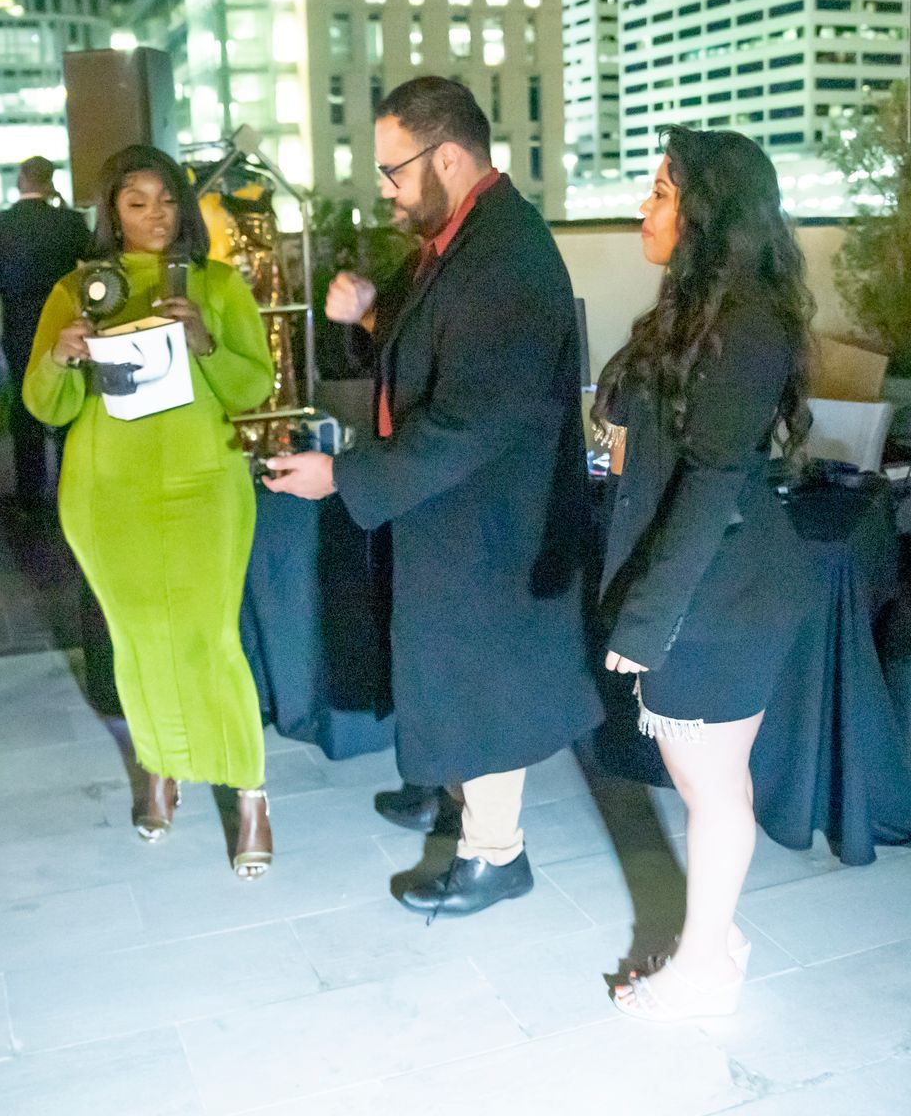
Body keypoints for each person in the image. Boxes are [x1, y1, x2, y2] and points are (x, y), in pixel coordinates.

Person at [265, 76, 602, 917]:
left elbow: (472, 416)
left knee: (478, 671)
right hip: (452, 502)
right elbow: (440, 347)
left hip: (492, 514)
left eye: (393, 171)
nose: (385, 189)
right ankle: (453, 796)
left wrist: (343, 475)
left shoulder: (508, 255)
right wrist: (376, 313)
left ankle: (497, 853)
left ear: (446, 156)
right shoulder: (462, 234)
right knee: (443, 660)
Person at [594, 128, 814, 1022]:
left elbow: (715, 484)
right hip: (709, 586)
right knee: (712, 782)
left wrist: (646, 622)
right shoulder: (698, 313)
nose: (645, 207)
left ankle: (703, 970)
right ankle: (716, 939)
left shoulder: (746, 326)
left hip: (720, 595)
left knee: (711, 790)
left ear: (707, 213)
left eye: (660, 192)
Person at [23, 145, 277, 878]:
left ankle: (249, 790)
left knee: (211, 638)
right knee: (135, 641)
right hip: (109, 491)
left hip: (205, 484)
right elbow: (47, 406)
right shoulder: (76, 290)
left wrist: (203, 340)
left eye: (166, 199)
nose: (155, 215)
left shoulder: (220, 284)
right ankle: (161, 767)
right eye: (136, 202)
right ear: (111, 213)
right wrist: (62, 356)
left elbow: (251, 387)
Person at [0, 156, 94, 510]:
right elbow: (91, 266)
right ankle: (73, 482)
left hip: (18, 322)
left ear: (21, 179)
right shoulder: (70, 222)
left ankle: (31, 493)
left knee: (26, 403)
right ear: (50, 179)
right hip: (66, 323)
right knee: (69, 395)